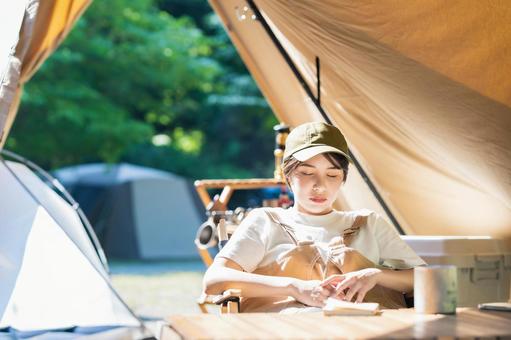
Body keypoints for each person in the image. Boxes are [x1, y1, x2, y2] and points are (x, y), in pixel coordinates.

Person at [203, 121, 426, 312]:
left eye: (332, 174)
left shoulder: (369, 223)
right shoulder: (266, 221)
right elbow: (213, 281)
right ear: (287, 175)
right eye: (307, 173)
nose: (320, 186)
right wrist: (293, 287)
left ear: (343, 178)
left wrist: (376, 275)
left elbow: (427, 278)